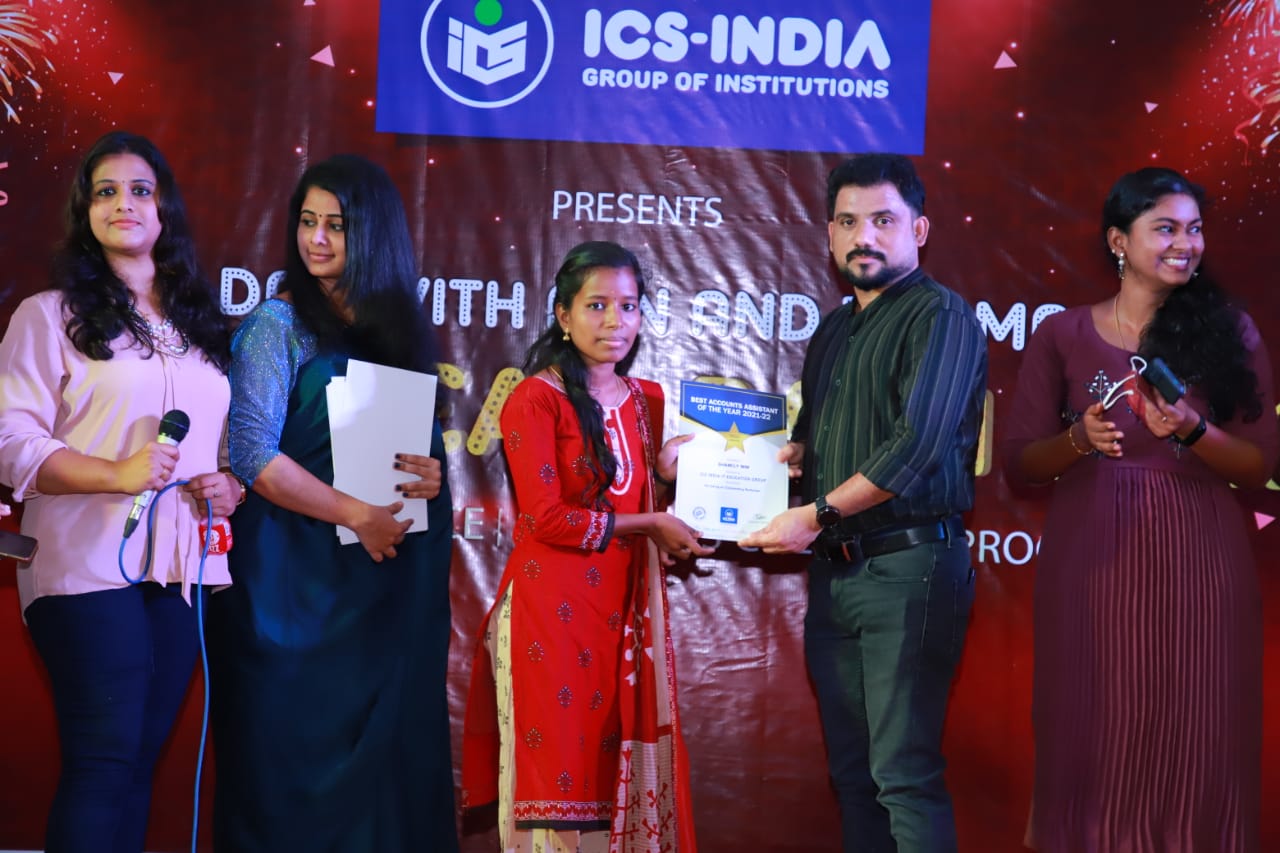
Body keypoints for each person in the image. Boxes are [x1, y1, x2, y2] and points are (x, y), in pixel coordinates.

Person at [1001, 167, 1278, 852]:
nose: (1186, 243)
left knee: (1200, 735)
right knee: (1094, 729)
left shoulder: (1231, 333)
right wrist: (1078, 439)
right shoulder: (1063, 334)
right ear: (1119, 240)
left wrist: (1192, 429)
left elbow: (1260, 466)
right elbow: (1020, 464)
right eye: (1166, 229)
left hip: (1203, 563)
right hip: (1093, 564)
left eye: (1195, 229)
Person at [206, 154, 458, 851]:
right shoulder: (276, 323)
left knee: (383, 774)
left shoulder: (398, 331)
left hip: (378, 593)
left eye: (337, 225)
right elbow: (253, 454)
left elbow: (410, 451)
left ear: (373, 232)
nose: (316, 238)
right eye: (307, 221)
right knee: (282, 767)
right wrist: (354, 513)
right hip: (288, 592)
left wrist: (428, 478)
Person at [0, 130, 238, 853]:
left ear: (165, 209)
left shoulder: (199, 327)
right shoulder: (49, 314)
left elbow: (220, 445)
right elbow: (9, 437)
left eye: (140, 190)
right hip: (83, 564)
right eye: (105, 192)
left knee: (137, 766)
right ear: (86, 212)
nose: (123, 204)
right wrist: (116, 474)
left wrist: (229, 484)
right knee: (103, 763)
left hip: (181, 569)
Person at [741, 154, 987, 853]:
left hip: (910, 570)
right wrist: (760, 461)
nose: (864, 236)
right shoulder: (834, 329)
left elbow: (916, 447)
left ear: (919, 229)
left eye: (883, 220)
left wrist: (816, 514)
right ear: (829, 234)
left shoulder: (941, 316)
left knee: (902, 774)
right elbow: (811, 443)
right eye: (848, 222)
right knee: (855, 777)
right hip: (837, 574)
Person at [461, 240, 711, 853]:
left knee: (606, 791)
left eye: (628, 306)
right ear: (563, 315)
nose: (614, 321)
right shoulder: (534, 398)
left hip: (621, 619)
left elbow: (636, 494)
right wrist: (650, 519)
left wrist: (672, 475)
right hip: (550, 615)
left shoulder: (647, 400)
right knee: (553, 793)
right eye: (596, 305)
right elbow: (548, 519)